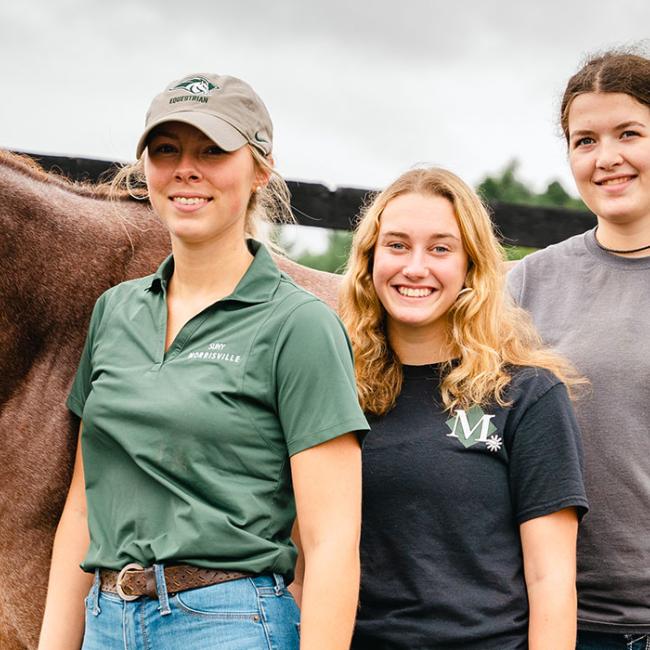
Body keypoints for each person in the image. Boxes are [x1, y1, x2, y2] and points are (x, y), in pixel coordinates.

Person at [37, 73, 369, 650]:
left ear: (261, 168)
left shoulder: (300, 325)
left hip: (228, 624)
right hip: (107, 621)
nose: (186, 169)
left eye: (212, 150)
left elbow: (333, 541)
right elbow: (85, 506)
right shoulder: (115, 313)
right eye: (167, 150)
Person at [340, 167, 589, 649]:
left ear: (471, 267)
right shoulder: (335, 390)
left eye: (440, 248)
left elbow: (551, 581)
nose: (415, 267)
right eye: (396, 245)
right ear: (369, 260)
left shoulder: (526, 395)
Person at [508, 51, 650, 650]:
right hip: (560, 617)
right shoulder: (523, 285)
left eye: (629, 134)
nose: (606, 157)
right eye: (584, 140)